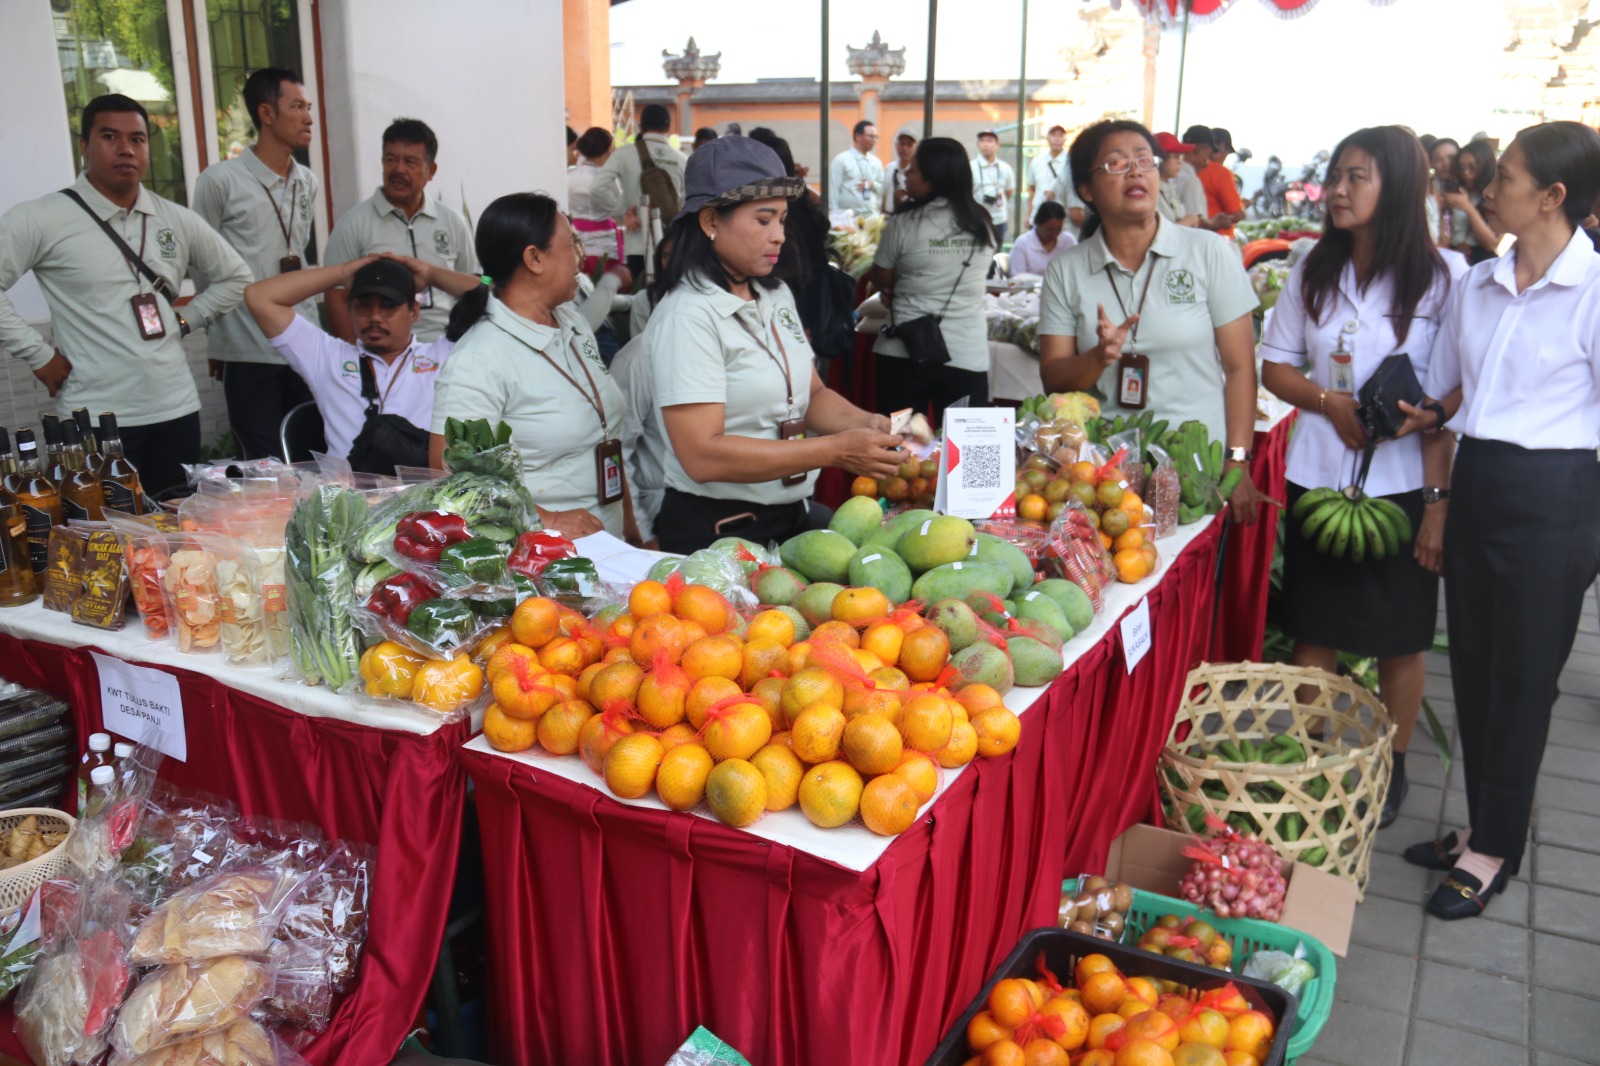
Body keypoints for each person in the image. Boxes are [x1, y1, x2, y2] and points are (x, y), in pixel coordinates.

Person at [1393, 121, 1600, 920]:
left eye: (1507, 176)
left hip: (1556, 497)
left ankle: (1494, 849)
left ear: (1552, 197)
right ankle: (1486, 823)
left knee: (1522, 681)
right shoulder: (1478, 284)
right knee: (1476, 669)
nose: (1488, 187)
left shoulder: (1591, 289)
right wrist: (1437, 497)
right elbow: (1450, 403)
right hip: (1478, 482)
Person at [1259, 126, 1464, 830]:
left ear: (1399, 189)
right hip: (1318, 477)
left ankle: (1392, 762)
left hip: (1402, 486)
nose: (1338, 191)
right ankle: (1318, 758)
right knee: (1315, 632)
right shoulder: (1312, 265)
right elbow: (1275, 366)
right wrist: (1327, 401)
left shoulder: (1444, 280)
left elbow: (1450, 400)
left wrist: (1437, 506)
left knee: (1400, 635)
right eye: (1336, 176)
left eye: (1357, 178)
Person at [646, 136, 902, 553]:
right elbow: (701, 455)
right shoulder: (688, 316)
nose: (779, 235)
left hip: (790, 516)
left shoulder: (775, 294)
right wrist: (834, 450)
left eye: (782, 219)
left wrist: (863, 424)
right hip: (720, 534)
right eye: (763, 220)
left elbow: (811, 393)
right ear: (711, 221)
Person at [0, 94, 250, 495]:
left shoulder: (174, 219)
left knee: (175, 532)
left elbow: (236, 276)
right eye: (110, 137)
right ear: (84, 145)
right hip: (97, 418)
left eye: (137, 139)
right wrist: (39, 354)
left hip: (176, 409)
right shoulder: (42, 218)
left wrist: (186, 319)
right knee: (106, 538)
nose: (126, 149)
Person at [1037, 120, 1264, 524]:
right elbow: (1054, 378)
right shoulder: (1066, 270)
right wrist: (1099, 356)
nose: (1136, 171)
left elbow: (1240, 367)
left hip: (1198, 468)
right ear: (1087, 190)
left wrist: (1238, 461)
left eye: (1145, 160)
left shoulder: (1208, 252)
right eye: (1116, 164)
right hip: (1102, 474)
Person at [429, 192, 639, 543]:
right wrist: (548, 519)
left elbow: (604, 439)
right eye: (571, 243)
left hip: (609, 545)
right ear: (534, 258)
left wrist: (630, 530)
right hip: (543, 562)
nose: (580, 256)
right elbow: (449, 478)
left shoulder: (572, 323)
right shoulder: (479, 359)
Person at [191, 67, 320, 460]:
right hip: (247, 344)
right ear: (266, 113)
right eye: (297, 106)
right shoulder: (219, 181)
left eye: (309, 107)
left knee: (312, 453)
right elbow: (201, 264)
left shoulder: (307, 181)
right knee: (263, 464)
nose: (308, 117)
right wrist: (216, 338)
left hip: (302, 340)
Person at [243, 255, 478, 465]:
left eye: (388, 306)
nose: (374, 317)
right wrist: (341, 273)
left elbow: (494, 297)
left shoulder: (443, 356)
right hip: (345, 502)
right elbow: (258, 296)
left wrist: (430, 274)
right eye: (363, 306)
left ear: (414, 312)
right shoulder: (326, 357)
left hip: (422, 498)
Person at [870, 136, 997, 417]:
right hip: (966, 352)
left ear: (933, 178)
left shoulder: (902, 223)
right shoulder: (983, 223)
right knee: (967, 454)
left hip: (904, 350)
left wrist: (894, 286)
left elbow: (881, 276)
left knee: (897, 449)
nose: (905, 174)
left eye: (913, 169)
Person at [324, 118, 477, 344]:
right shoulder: (353, 224)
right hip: (383, 351)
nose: (398, 169)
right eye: (391, 160)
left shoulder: (453, 221)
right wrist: (357, 361)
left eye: (410, 162)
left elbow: (477, 281)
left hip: (446, 345)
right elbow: (336, 296)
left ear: (431, 170)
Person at [604, 104, 687, 277]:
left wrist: (623, 213)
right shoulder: (682, 160)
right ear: (668, 127)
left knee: (636, 298)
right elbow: (685, 204)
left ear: (641, 127)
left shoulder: (624, 154)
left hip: (635, 244)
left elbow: (597, 187)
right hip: (670, 246)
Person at [567, 127, 625, 270]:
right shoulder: (607, 179)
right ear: (606, 151)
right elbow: (619, 210)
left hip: (576, 244)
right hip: (605, 245)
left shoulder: (569, 176)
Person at [1442, 138, 1499, 261]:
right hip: (1453, 254)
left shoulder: (1496, 195)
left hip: (1480, 258)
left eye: (1472, 167)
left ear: (1485, 166)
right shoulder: (1458, 190)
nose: (1466, 173)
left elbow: (1491, 244)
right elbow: (1446, 230)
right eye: (1462, 168)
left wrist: (1468, 208)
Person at [1183, 125, 1245, 236]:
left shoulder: (1174, 171)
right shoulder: (1221, 173)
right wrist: (1243, 207)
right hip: (1213, 239)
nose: (1207, 162)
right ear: (1222, 147)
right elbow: (1236, 214)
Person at [829, 121, 884, 218]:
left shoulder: (876, 162)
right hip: (848, 219)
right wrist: (834, 218)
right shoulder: (841, 160)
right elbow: (832, 192)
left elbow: (883, 189)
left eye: (876, 137)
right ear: (858, 136)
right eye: (871, 136)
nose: (874, 140)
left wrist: (872, 184)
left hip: (872, 218)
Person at [971, 131, 1016, 244]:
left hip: (999, 218)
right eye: (982, 141)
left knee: (997, 251)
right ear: (978, 145)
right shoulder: (971, 167)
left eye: (990, 141)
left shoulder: (1005, 168)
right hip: (978, 219)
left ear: (997, 145)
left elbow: (1009, 191)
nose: (986, 144)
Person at [1008, 202, 1075, 275]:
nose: (1054, 234)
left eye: (1058, 229)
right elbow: (1017, 276)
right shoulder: (1022, 244)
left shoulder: (1068, 241)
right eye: (1049, 229)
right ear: (1038, 223)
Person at [1155, 132, 1205, 226]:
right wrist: (1189, 220)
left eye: (1181, 157)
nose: (1180, 162)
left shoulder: (1168, 187)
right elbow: (1160, 234)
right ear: (1158, 159)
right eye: (1176, 157)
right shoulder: (1151, 191)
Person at [1027, 125, 1070, 221]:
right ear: (1047, 138)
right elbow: (1031, 189)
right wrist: (1029, 215)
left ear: (1065, 139)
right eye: (1054, 135)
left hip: (1063, 217)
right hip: (1038, 215)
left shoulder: (1071, 162)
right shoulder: (1037, 162)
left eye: (1060, 136)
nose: (1057, 139)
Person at [1428, 137, 1463, 247]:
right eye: (1438, 160)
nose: (1446, 164)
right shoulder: (1427, 188)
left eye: (1451, 158)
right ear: (1431, 163)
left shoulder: (1473, 187)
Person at [883, 132, 917, 214]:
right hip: (888, 215)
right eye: (902, 144)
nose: (904, 148)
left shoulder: (917, 172)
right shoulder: (889, 168)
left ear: (915, 148)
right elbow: (884, 195)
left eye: (909, 145)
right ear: (896, 146)